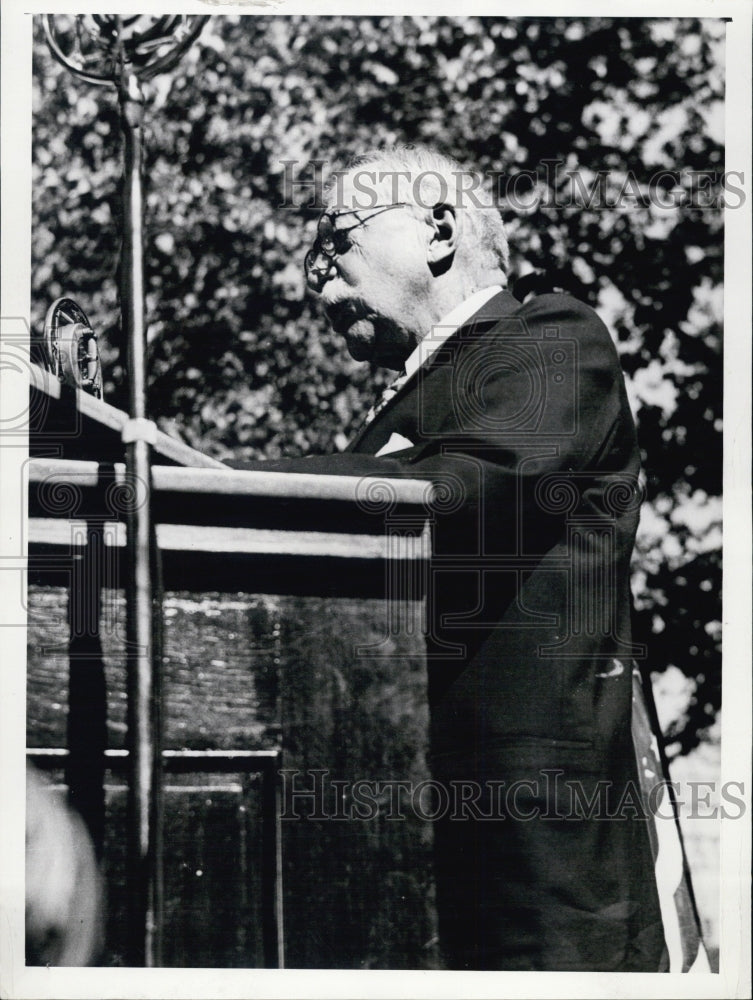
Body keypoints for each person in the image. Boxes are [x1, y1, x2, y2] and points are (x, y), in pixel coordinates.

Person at [235, 145, 668, 970]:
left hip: (529, 853)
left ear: (437, 229)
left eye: (334, 242)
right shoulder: (391, 414)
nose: (315, 281)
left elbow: (460, 492)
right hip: (395, 841)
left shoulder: (547, 335)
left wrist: (218, 482)